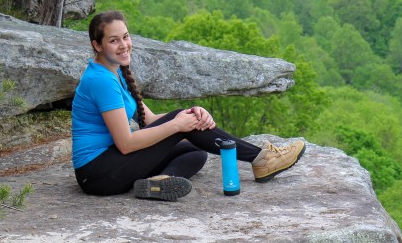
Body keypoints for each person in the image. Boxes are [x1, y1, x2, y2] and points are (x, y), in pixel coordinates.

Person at [71, 10, 305, 201]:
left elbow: (149, 121)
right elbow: (126, 144)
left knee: (195, 152)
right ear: (98, 45)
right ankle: (261, 159)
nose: (123, 45)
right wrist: (179, 124)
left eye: (125, 36)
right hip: (98, 173)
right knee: (182, 123)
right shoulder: (101, 80)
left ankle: (158, 184)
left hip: (108, 166)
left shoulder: (113, 73)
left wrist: (191, 114)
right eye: (114, 40)